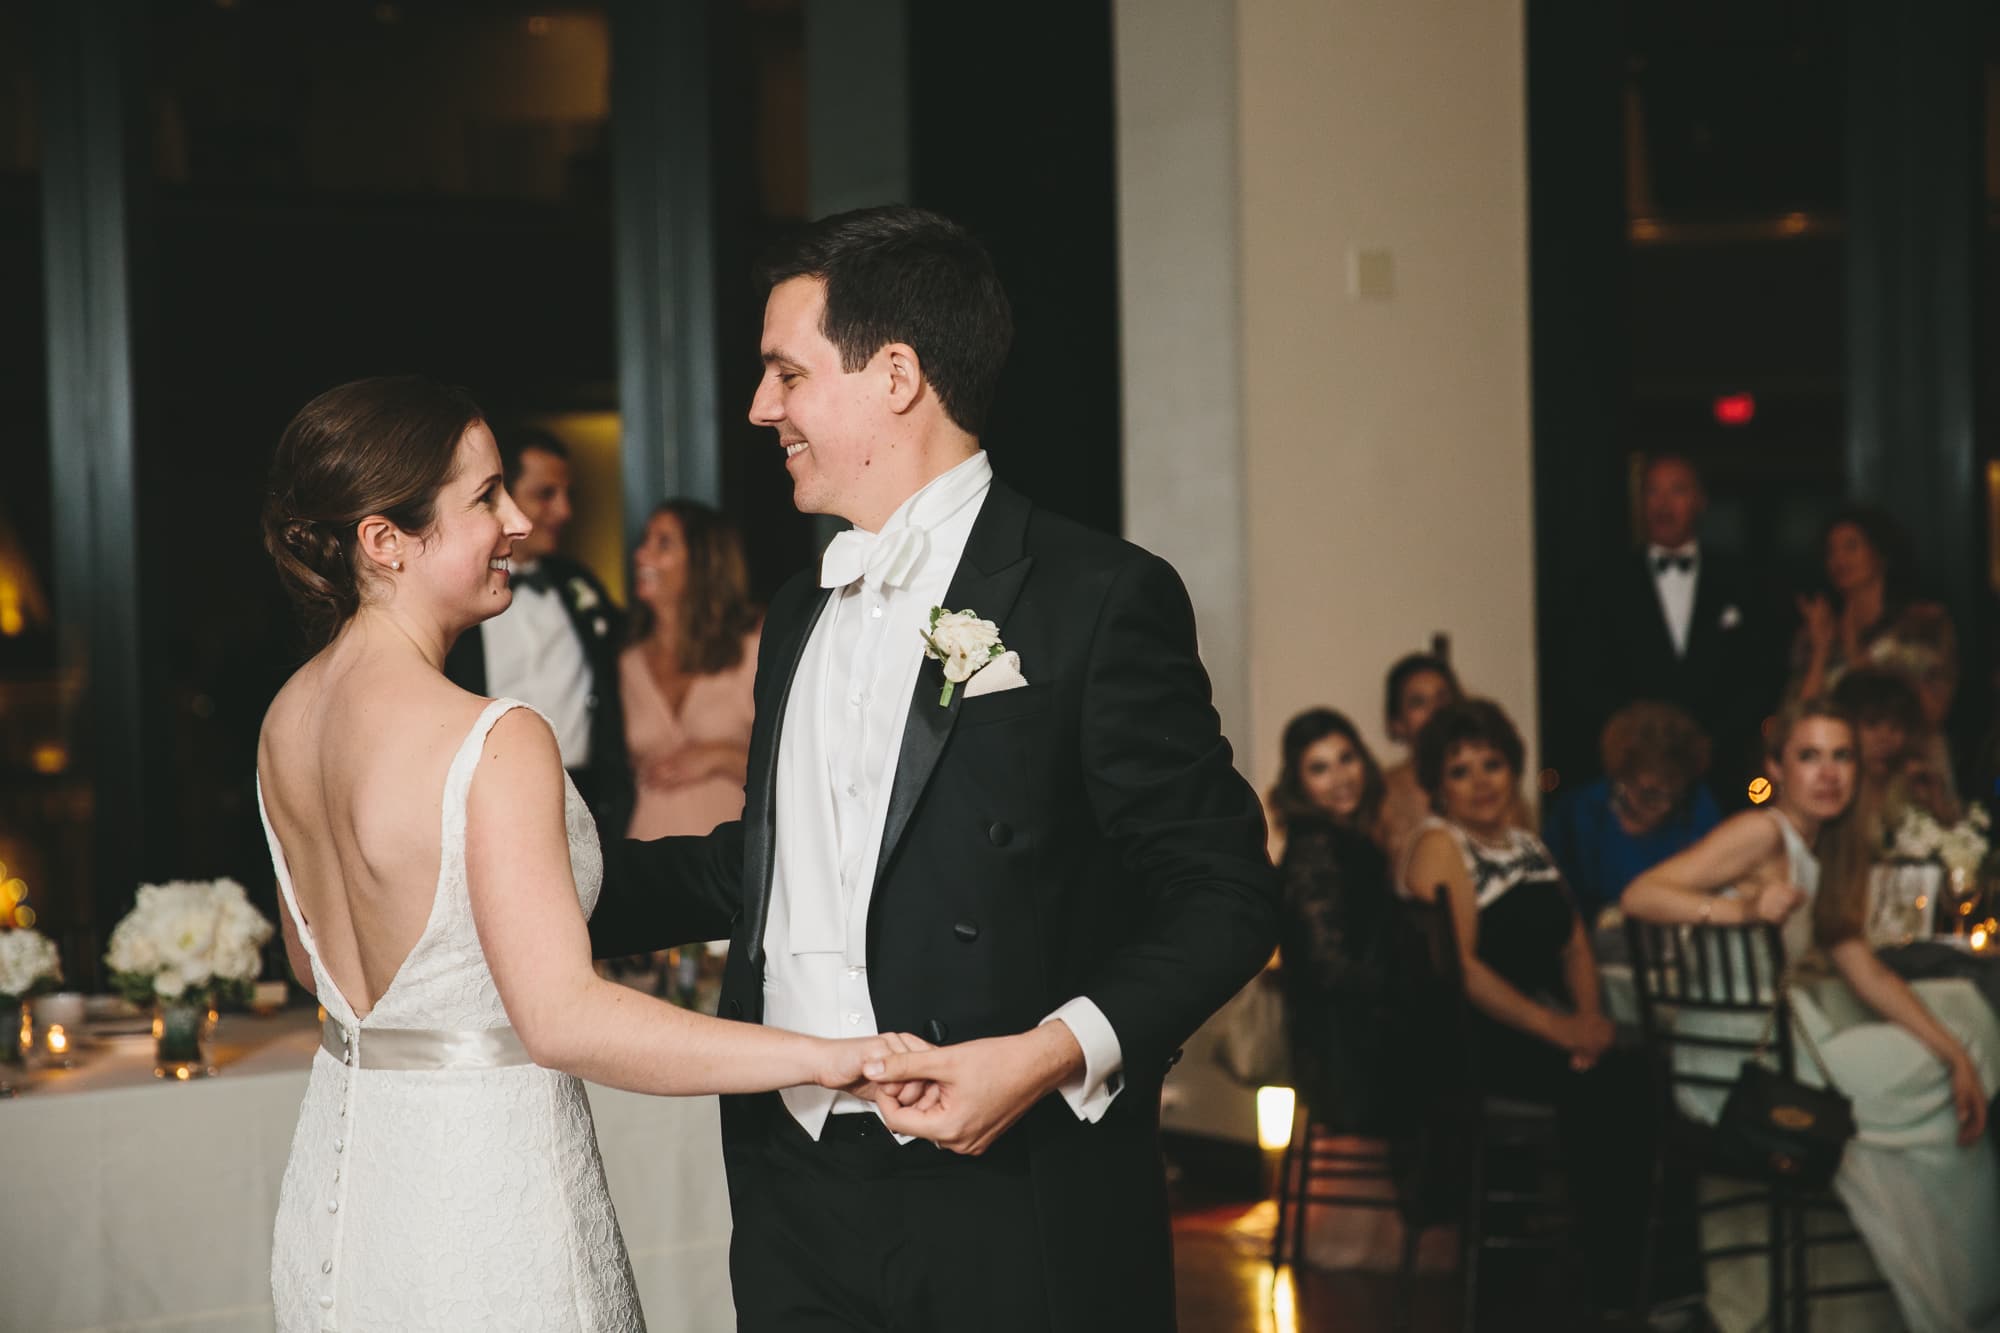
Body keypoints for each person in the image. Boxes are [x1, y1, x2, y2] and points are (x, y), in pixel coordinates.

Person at [587, 206, 1278, 1332]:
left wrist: (1049, 1056)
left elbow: (1225, 892)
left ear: (895, 373)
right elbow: (773, 863)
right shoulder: (800, 605)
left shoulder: (1093, 597)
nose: (761, 407)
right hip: (791, 1177)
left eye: (784, 373)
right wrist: (537, 892)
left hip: (1010, 1193)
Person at [256, 377, 920, 1331]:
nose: (519, 519)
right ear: (383, 539)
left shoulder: (288, 716)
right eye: (484, 497)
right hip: (484, 1204)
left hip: (342, 1197)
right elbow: (564, 1019)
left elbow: (311, 963)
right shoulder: (495, 735)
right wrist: (830, 1056)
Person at [1621, 698, 1996, 1333]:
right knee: (1935, 1079)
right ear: (1779, 768)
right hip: (1739, 1066)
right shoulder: (1762, 832)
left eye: (1842, 757)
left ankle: (1888, 1295)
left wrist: (1956, 1054)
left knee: (1953, 1041)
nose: (1829, 773)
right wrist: (1743, 912)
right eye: (1809, 757)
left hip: (1778, 1049)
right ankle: (1951, 1296)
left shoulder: (1824, 850)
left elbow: (1866, 970)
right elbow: (1639, 895)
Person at [1399, 697, 1644, 1310]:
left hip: (1543, 1024)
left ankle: (1624, 1276)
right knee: (1609, 1088)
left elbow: (1574, 945)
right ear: (1437, 784)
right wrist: (1559, 1032)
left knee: (1631, 1071)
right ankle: (1605, 1289)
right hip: (1477, 1040)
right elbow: (1466, 971)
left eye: (1493, 763)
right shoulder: (1439, 845)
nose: (1482, 782)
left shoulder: (1526, 843)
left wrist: (1587, 1021)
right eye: (1461, 770)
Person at [444, 428, 634, 833]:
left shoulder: (578, 584)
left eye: (567, 496)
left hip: (589, 795)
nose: (564, 512)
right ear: (503, 498)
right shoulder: (457, 597)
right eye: (546, 494)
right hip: (489, 800)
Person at [1567, 452, 1771, 808]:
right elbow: (1589, 674)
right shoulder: (1606, 583)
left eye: (1677, 491)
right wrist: (1637, 745)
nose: (1663, 504)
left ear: (1700, 501)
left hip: (1722, 777)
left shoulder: (1739, 580)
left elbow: (1757, 673)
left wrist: (1711, 742)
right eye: (1652, 492)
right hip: (1632, 778)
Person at [1268, 708, 1395, 1131]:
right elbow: (1329, 964)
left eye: (1347, 758)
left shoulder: (1345, 837)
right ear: (1298, 782)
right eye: (1319, 768)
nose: (1340, 777)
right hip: (1346, 1043)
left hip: (1350, 1037)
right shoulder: (1316, 846)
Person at [622, 500, 763, 839]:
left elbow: (798, 769)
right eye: (645, 541)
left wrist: (720, 756)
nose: (641, 555)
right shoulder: (628, 661)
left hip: (730, 863)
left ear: (704, 561)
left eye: (663, 543)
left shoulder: (753, 648)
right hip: (647, 858)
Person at [1544, 700, 1722, 925]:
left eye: (1674, 794)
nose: (1665, 805)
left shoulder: (1697, 806)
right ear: (1623, 775)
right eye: (1650, 794)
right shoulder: (1581, 813)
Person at [1375, 653, 1464, 864]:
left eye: (1443, 698)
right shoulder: (1381, 792)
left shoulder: (1490, 780)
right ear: (1397, 723)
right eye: (1418, 702)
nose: (1435, 710)